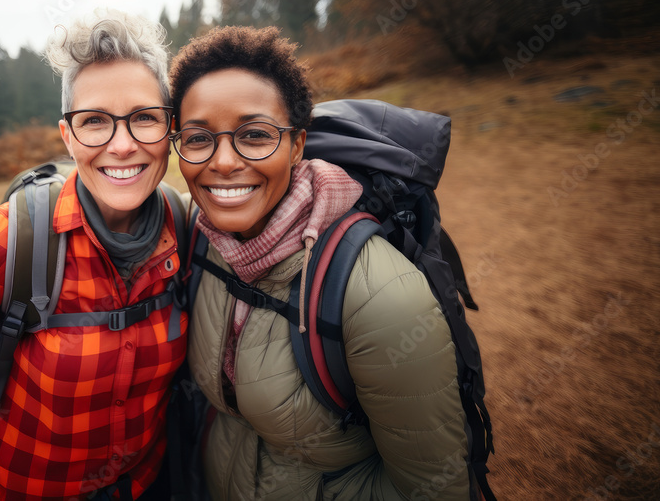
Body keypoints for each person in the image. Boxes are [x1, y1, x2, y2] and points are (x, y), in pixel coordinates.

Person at [0, 9, 188, 501]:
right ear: (68, 137)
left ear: (169, 129)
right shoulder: (7, 240)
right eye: (95, 122)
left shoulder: (186, 226)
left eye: (144, 118)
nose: (123, 145)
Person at [168, 25, 469, 500]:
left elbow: (435, 490)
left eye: (254, 135)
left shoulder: (381, 297)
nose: (223, 162)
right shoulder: (198, 237)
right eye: (198, 138)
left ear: (297, 144)